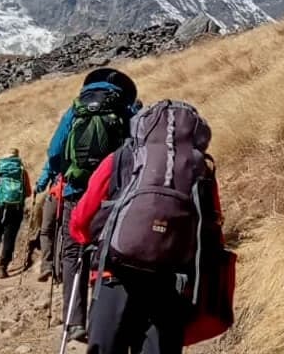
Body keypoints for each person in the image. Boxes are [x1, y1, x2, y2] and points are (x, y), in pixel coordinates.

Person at [69, 99, 228, 354]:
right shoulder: (201, 169)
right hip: (172, 282)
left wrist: (91, 240)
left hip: (115, 275)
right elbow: (212, 229)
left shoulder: (121, 158)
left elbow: (81, 219)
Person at [35, 68, 139, 343]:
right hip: (112, 195)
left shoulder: (76, 109)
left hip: (76, 193)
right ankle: (104, 322)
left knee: (73, 253)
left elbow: (55, 151)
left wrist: (65, 173)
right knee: (110, 254)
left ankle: (74, 321)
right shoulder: (125, 108)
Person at [0, 147, 32, 278]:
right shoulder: (22, 171)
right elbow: (29, 192)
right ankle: (3, 267)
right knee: (10, 238)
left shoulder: (0, 170)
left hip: (0, 207)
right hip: (16, 209)